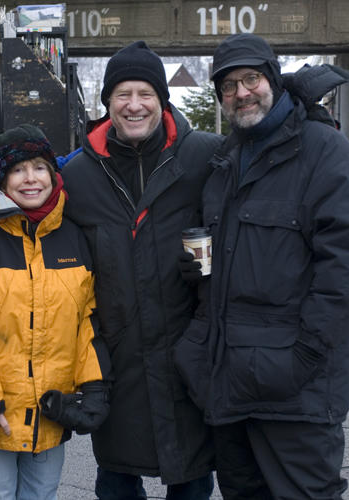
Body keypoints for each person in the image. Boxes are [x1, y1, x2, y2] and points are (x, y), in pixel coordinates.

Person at [173, 33, 349, 500]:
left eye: (251, 79)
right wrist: (197, 269)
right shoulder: (227, 159)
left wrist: (305, 355)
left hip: (293, 390)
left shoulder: (323, 152)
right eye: (228, 86)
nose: (241, 92)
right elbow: (224, 249)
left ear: (273, 80)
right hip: (227, 381)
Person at [61, 41, 223, 500]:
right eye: (122, 94)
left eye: (145, 93)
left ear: (162, 99)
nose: (134, 105)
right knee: (115, 482)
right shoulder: (77, 177)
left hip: (188, 358)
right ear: (107, 102)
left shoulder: (206, 159)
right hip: (116, 363)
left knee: (191, 479)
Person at [0, 124, 113, 500]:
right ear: (1, 179)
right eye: (18, 169)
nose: (30, 179)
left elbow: (87, 323)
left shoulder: (72, 237)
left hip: (52, 411)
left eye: (39, 167)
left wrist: (95, 387)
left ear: (54, 174)